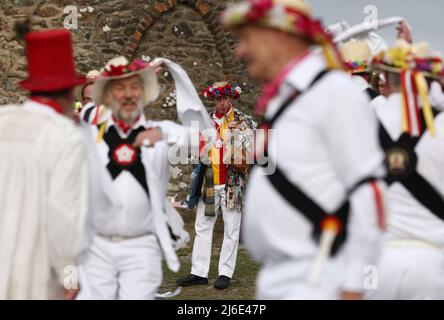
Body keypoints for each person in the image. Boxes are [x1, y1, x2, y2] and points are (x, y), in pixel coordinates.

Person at [222, 0, 387, 299]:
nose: (240, 51)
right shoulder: (288, 98)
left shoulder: (334, 92)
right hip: (282, 277)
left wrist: (354, 286)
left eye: (247, 38)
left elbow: (368, 192)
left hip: (319, 277)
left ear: (281, 36)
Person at [77, 56, 193, 300]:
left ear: (144, 94)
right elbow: (88, 112)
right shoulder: (91, 131)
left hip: (141, 247)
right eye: (120, 88)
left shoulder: (161, 131)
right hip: (96, 246)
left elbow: (198, 138)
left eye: (135, 88)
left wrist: (160, 133)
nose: (128, 95)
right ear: (107, 95)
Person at [0, 29, 89, 299]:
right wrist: (69, 275)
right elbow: (64, 215)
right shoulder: (66, 137)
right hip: (36, 271)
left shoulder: (2, 120)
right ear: (71, 89)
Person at [367, 40, 444, 299]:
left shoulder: (359, 122)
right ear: (428, 81)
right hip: (431, 262)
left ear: (385, 80)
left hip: (370, 262)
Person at [177, 81, 255, 290]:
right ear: (214, 100)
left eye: (224, 98)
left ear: (231, 99)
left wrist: (238, 154)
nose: (221, 103)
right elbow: (197, 151)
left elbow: (250, 153)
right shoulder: (205, 121)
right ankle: (199, 272)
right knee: (202, 226)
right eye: (217, 99)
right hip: (210, 180)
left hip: (232, 182)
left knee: (231, 228)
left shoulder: (243, 121)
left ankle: (225, 273)